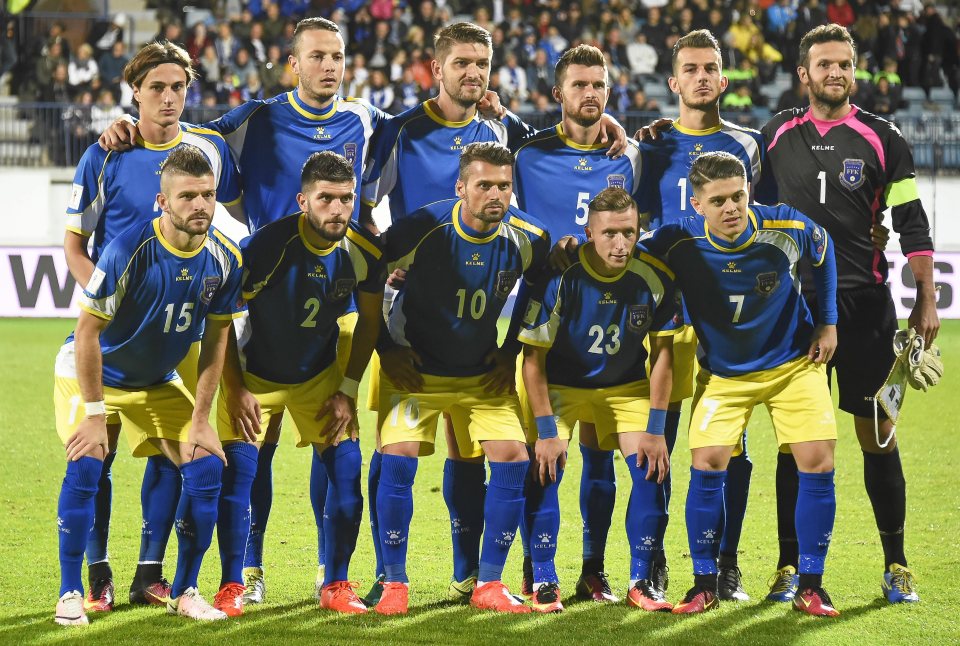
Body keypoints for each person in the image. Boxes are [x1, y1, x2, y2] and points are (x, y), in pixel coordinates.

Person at [358, 23, 626, 607]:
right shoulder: (399, 134)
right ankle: (389, 574)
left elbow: (557, 145)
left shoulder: (504, 133)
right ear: (436, 66)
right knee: (393, 453)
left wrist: (607, 124)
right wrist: (385, 336)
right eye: (462, 62)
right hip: (413, 340)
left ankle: (477, 576)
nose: (474, 72)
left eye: (482, 62)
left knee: (478, 455)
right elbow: (365, 232)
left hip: (479, 352)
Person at [757, 24, 939, 605]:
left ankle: (897, 564)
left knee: (878, 438)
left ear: (853, 70)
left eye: (843, 64)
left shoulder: (884, 138)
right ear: (803, 74)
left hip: (867, 311)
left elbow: (913, 225)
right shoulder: (774, 136)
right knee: (795, 443)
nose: (834, 73)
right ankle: (789, 567)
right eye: (823, 64)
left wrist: (928, 300)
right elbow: (751, 220)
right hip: (795, 315)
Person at [65, 40, 242, 615]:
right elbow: (74, 246)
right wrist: (110, 298)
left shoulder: (208, 148)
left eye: (178, 88)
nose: (168, 99)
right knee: (102, 447)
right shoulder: (105, 154)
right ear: (134, 91)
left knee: (177, 453)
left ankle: (152, 573)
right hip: (117, 323)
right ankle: (97, 574)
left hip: (180, 330)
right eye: (156, 88)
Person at [641, 151, 841, 617]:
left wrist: (827, 323)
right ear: (697, 205)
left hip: (794, 365)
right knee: (707, 462)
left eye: (738, 197)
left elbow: (824, 246)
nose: (732, 208)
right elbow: (624, 251)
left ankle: (811, 585)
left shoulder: (784, 226)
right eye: (718, 201)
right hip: (725, 375)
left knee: (817, 458)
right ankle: (704, 584)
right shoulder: (675, 240)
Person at [372, 142, 549, 615]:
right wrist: (387, 348)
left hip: (479, 376)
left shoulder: (529, 237)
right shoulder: (423, 227)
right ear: (461, 188)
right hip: (416, 374)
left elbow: (539, 283)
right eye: (484, 185)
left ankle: (489, 583)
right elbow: (369, 275)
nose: (496, 194)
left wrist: (509, 347)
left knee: (513, 458)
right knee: (399, 457)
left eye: (504, 185)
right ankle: (394, 584)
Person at [217, 151, 385, 614]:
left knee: (347, 476)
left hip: (319, 378)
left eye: (346, 199)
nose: (337, 209)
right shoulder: (265, 247)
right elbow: (221, 319)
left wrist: (349, 389)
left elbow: (370, 322)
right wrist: (234, 388)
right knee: (241, 477)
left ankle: (336, 583)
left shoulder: (364, 251)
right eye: (325, 199)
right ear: (302, 201)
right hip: (256, 378)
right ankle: (238, 580)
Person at [511, 44, 643, 608]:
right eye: (579, 85)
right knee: (543, 452)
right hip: (544, 318)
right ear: (558, 94)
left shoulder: (633, 155)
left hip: (611, 324)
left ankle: (595, 570)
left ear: (609, 93)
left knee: (601, 453)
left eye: (599, 86)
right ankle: (537, 570)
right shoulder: (525, 154)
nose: (589, 94)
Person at [635, 29, 765, 602]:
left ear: (724, 78)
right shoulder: (651, 147)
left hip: (728, 317)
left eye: (711, 68)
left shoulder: (751, 145)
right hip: (663, 319)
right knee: (656, 440)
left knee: (728, 447)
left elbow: (767, 224)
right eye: (691, 69)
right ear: (674, 82)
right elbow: (633, 221)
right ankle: (654, 557)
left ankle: (726, 564)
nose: (702, 77)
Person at [518, 187, 678, 612]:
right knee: (544, 466)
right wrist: (548, 431)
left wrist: (657, 429)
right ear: (588, 232)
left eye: (628, 232)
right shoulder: (561, 278)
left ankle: (641, 581)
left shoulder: (654, 277)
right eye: (609, 233)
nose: (620, 243)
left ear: (640, 229)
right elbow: (532, 359)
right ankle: (543, 578)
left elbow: (664, 354)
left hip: (625, 386)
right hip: (562, 385)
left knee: (650, 471)